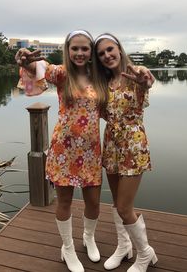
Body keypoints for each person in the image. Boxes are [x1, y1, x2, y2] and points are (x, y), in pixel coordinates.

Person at [15, 30, 106, 272]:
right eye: (74, 48)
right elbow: (39, 67)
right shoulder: (62, 74)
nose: (79, 52)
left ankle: (88, 237)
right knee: (64, 201)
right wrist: (27, 60)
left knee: (94, 202)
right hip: (63, 151)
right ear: (68, 50)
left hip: (91, 152)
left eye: (84, 48)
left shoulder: (99, 78)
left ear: (91, 52)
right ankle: (67, 248)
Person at [93, 33, 157, 272]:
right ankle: (123, 246)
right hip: (111, 144)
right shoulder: (103, 84)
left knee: (124, 207)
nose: (107, 55)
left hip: (132, 144)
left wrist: (145, 80)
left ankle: (144, 254)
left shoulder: (135, 75)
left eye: (110, 49)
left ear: (119, 49)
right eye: (101, 53)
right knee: (116, 202)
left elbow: (147, 81)